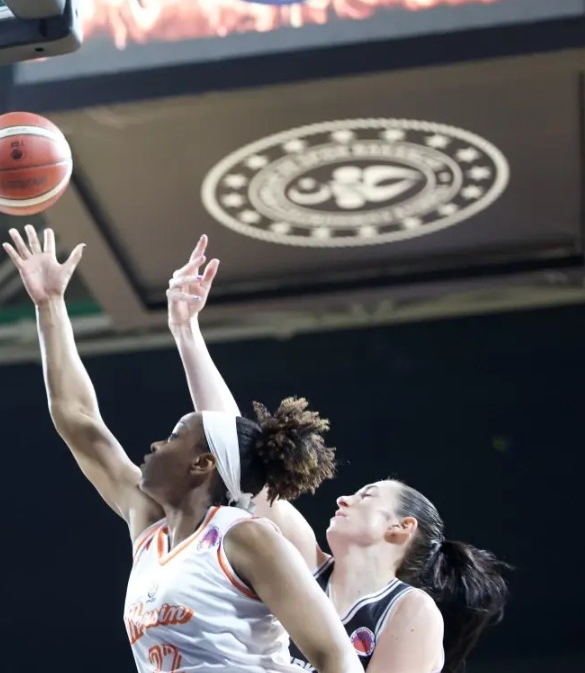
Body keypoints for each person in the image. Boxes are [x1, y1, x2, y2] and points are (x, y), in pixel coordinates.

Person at [3, 226, 363, 673]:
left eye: (174, 437)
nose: (156, 444)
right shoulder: (150, 530)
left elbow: (336, 656)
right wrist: (50, 305)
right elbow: (78, 421)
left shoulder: (244, 537)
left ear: (204, 463)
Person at [165, 235, 512, 673]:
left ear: (402, 527)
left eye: (366, 496)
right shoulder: (302, 569)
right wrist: (187, 331)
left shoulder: (411, 610)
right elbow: (236, 454)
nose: (343, 498)